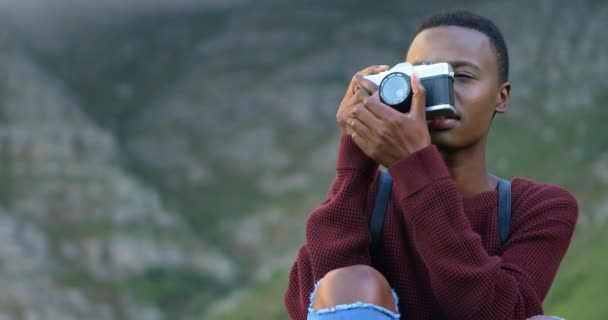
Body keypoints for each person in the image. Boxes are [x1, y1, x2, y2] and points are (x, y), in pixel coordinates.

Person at [284, 9, 578, 320]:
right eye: (422, 77)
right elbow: (316, 300)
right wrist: (355, 161)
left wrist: (415, 165)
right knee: (351, 280)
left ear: (501, 97)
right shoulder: (369, 198)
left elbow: (500, 313)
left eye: (461, 76)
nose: (437, 91)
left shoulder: (539, 208)